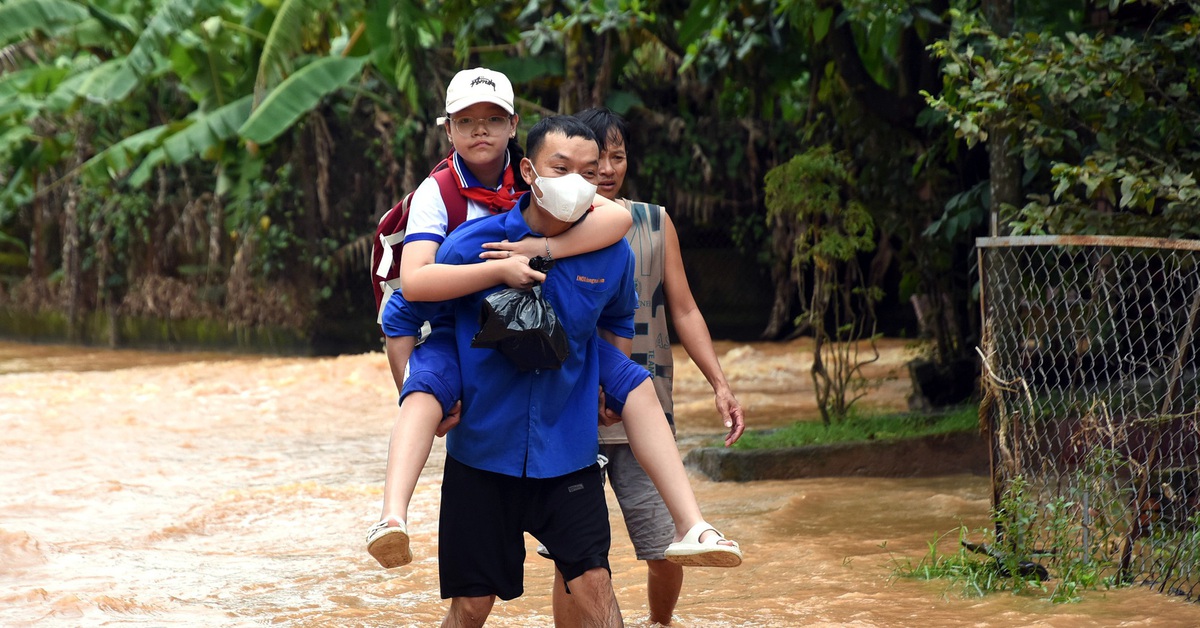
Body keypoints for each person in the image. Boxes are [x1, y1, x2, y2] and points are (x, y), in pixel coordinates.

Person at [365, 68, 635, 569]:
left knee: (634, 384)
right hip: (457, 322)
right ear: (448, 130)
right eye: (466, 121)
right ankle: (392, 518)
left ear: (514, 125)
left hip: (547, 320)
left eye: (492, 119)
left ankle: (692, 525)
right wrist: (501, 270)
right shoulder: (437, 193)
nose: (480, 130)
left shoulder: (541, 172)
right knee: (423, 392)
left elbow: (618, 218)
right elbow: (415, 285)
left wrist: (543, 247)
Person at [565, 107, 748, 626]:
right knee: (571, 559)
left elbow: (684, 308)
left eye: (617, 156)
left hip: (646, 411)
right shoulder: (553, 224)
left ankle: (659, 622)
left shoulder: (652, 221)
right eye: (596, 157)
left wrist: (720, 384)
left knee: (667, 546)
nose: (606, 168)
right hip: (571, 410)